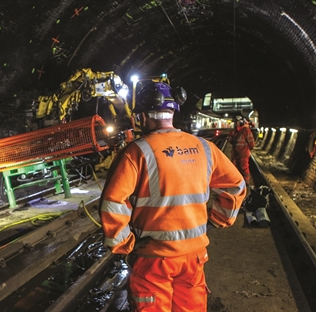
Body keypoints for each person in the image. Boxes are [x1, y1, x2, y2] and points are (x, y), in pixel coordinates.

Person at [99, 82, 246, 311]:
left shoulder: (135, 153)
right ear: (172, 113)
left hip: (153, 258)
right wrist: (217, 220)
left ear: (144, 117)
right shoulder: (205, 148)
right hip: (194, 257)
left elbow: (112, 203)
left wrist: (126, 245)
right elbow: (236, 186)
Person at [226, 115, 255, 186]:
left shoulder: (246, 130)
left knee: (244, 168)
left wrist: (247, 149)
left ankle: (246, 182)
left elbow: (251, 142)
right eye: (235, 122)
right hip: (235, 154)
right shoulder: (235, 131)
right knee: (235, 168)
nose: (235, 123)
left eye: (237, 122)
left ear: (241, 122)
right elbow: (228, 138)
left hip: (243, 154)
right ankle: (238, 181)